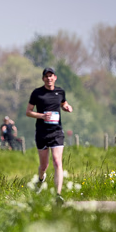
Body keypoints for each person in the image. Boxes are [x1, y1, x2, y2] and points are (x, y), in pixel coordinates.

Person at [26, 67, 73, 201]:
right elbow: (28, 112)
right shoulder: (37, 93)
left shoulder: (60, 92)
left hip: (57, 131)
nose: (49, 78)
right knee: (44, 166)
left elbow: (63, 103)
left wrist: (67, 107)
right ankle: (41, 179)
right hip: (42, 132)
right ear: (43, 79)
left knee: (57, 162)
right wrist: (41, 116)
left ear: (55, 77)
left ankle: (58, 195)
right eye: (46, 76)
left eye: (51, 76)